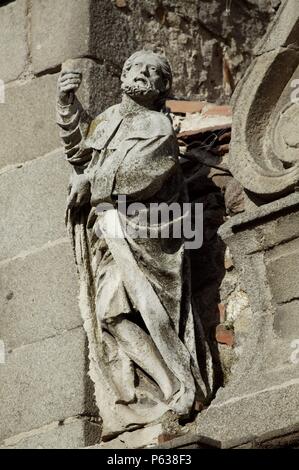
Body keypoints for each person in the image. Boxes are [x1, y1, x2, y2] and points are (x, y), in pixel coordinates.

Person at [56, 50, 207, 438]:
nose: (141, 74)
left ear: (162, 88)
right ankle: (163, 387)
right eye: (135, 68)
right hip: (109, 234)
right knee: (110, 312)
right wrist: (67, 105)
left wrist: (91, 184)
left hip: (149, 234)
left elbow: (142, 173)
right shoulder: (107, 119)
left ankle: (179, 383)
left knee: (147, 308)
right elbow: (80, 153)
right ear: (123, 74)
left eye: (153, 72)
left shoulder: (158, 126)